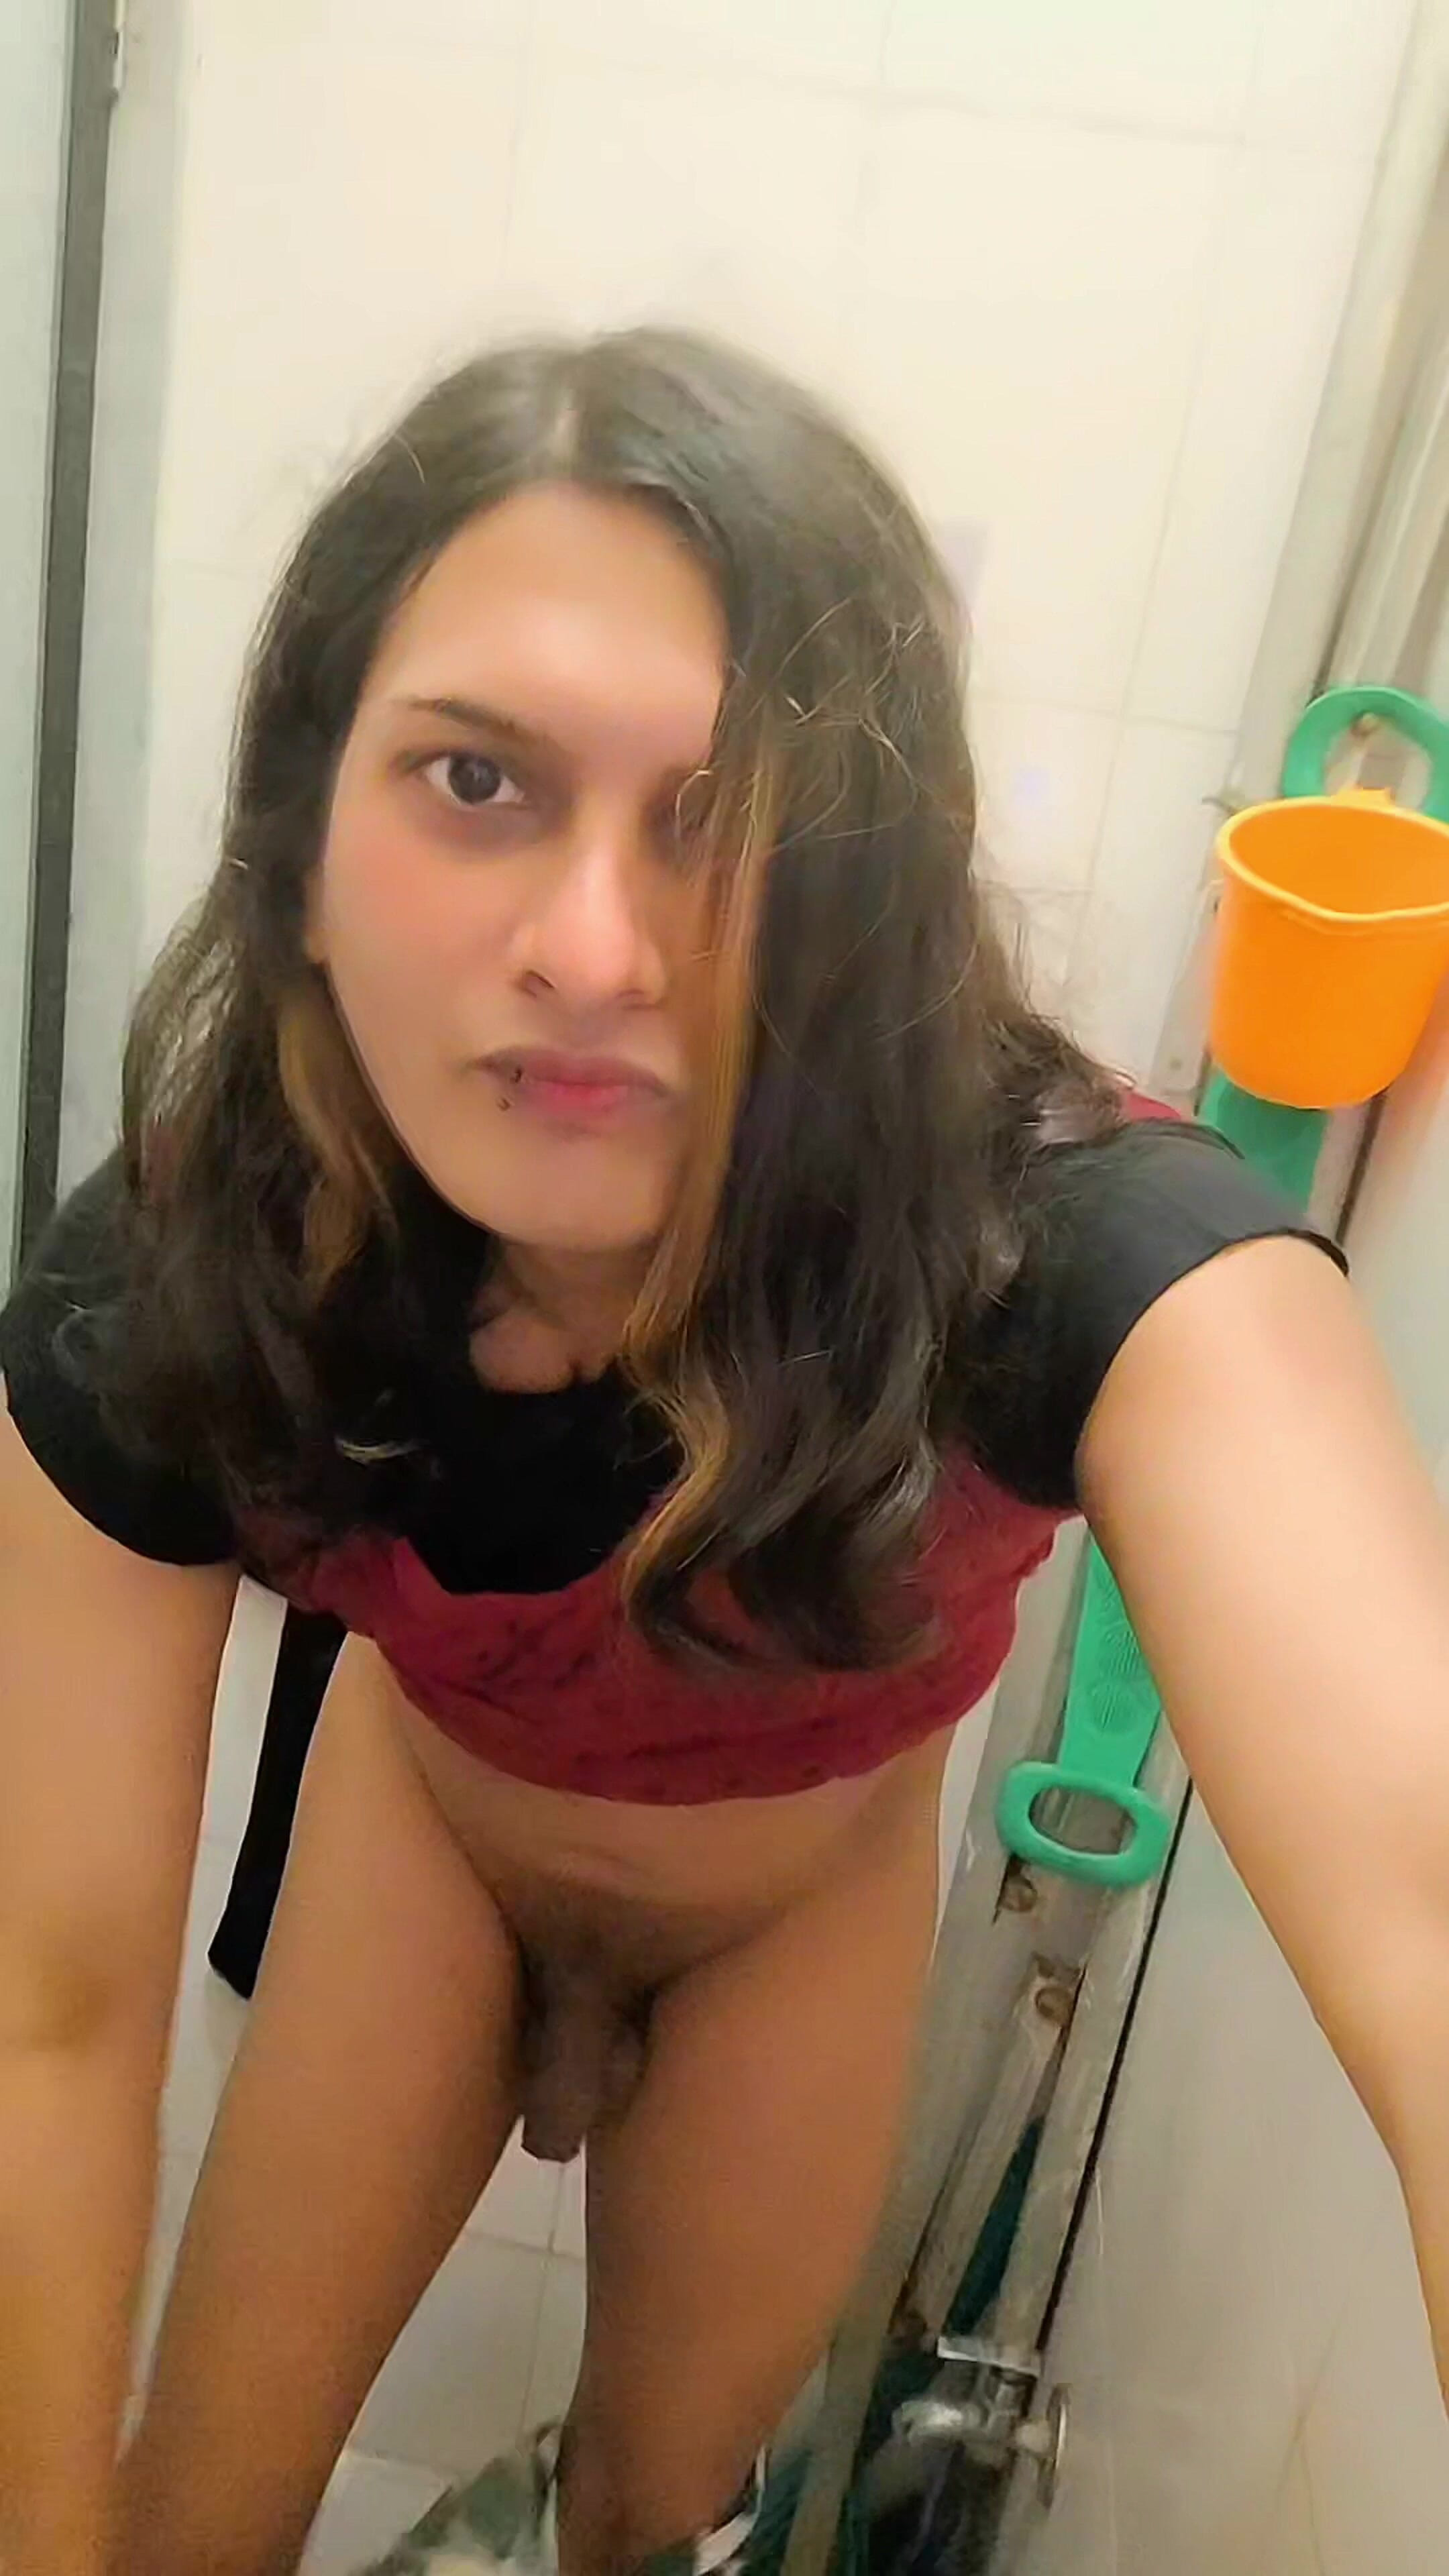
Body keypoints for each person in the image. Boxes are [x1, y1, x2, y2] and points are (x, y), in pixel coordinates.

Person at [2, 329, 1447, 2576]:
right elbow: (53, 2002)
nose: (593, 951)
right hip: (428, 1837)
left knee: (653, 2531)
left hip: (793, 1910)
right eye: (474, 777)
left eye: (726, 815)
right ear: (301, 852)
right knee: (187, 2526)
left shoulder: (1050, 1245)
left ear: (876, 894)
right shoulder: (199, 1268)